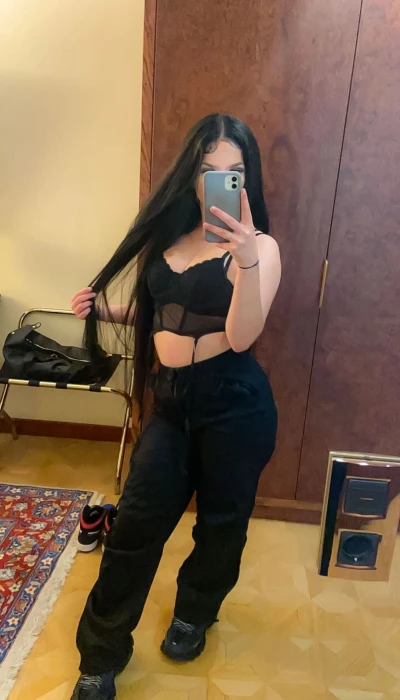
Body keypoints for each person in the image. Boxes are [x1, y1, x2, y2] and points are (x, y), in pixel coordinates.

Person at [70, 114, 281, 700]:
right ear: (191, 175)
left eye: (234, 171)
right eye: (209, 170)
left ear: (247, 179)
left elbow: (241, 335)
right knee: (134, 526)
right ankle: (101, 654)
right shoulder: (172, 239)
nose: (221, 181)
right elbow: (164, 312)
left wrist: (246, 260)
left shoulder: (261, 248)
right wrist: (104, 312)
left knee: (221, 524)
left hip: (233, 405)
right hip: (169, 404)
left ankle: (194, 612)